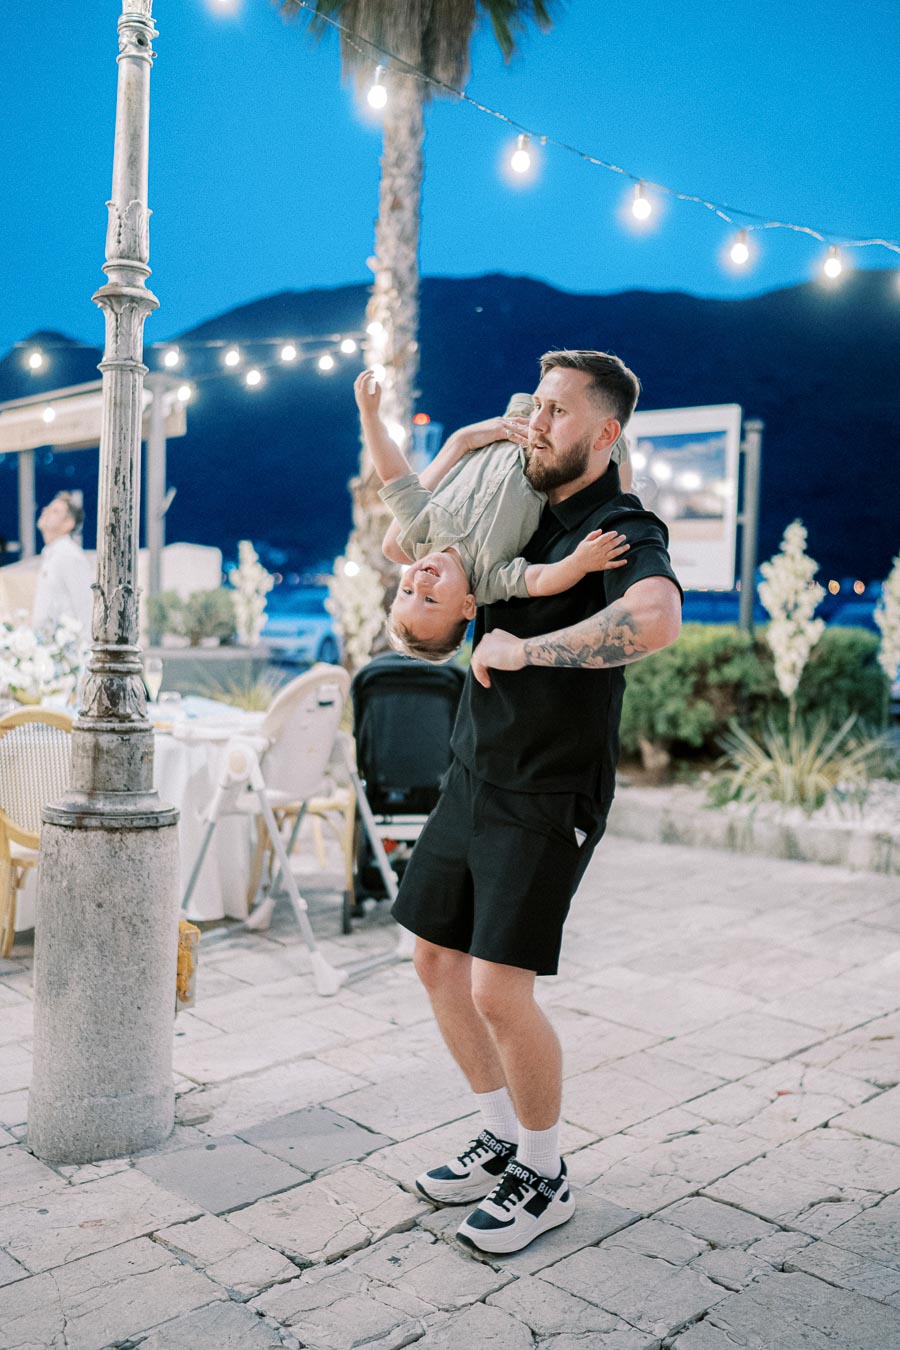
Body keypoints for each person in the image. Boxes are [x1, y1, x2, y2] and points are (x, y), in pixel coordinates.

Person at [390, 349, 682, 1255]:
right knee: (435, 963)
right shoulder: (507, 495)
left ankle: (544, 1172)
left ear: (605, 434)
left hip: (551, 787)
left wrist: (529, 651)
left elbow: (659, 617)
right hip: (475, 767)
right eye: (536, 403)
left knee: (498, 989)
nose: (537, 420)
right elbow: (411, 540)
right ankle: (499, 1134)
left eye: (558, 411)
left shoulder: (620, 521)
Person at [354, 371, 631, 661]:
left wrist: (370, 417)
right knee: (601, 424)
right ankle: (621, 448)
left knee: (553, 378)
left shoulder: (419, 534)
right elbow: (538, 580)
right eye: (430, 600)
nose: (420, 584)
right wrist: (578, 563)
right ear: (468, 606)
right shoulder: (490, 580)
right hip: (547, 450)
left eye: (407, 592)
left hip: (513, 423)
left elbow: (395, 475)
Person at [31, 491, 94, 637]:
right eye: (47, 508)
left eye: (55, 511)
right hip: (48, 648)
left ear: (68, 523)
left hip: (65, 650)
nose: (45, 511)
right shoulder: (51, 554)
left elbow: (85, 606)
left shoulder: (69, 555)